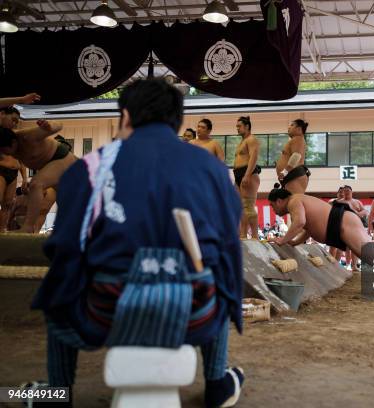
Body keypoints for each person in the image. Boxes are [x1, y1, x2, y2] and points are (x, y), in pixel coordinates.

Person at [30, 79, 245, 407]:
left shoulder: (90, 167)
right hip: (194, 312)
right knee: (215, 274)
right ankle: (217, 383)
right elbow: (230, 245)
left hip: (105, 310)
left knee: (58, 294)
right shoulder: (212, 168)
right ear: (176, 121)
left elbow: (64, 248)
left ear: (126, 117)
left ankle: (56, 395)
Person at [0, 118, 77, 233]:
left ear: (14, 142)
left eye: (6, 151)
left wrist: (49, 125)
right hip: (50, 168)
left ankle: (28, 227)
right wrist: (26, 179)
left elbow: (59, 124)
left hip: (62, 159)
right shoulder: (7, 144)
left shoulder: (28, 136)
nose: (6, 154)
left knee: (37, 184)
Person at [233, 116, 261, 239]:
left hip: (248, 173)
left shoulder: (251, 139)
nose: (237, 128)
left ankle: (255, 236)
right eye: (237, 126)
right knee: (239, 206)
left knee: (248, 206)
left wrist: (247, 175)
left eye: (239, 126)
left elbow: (253, 157)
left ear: (247, 126)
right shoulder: (242, 141)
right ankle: (243, 234)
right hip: (238, 175)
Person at [276, 119, 310, 194]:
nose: (289, 127)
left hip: (294, 176)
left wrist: (284, 172)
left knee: (294, 202)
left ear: (299, 129)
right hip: (291, 176)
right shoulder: (295, 140)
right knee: (291, 202)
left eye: (292, 125)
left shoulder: (298, 139)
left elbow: (296, 156)